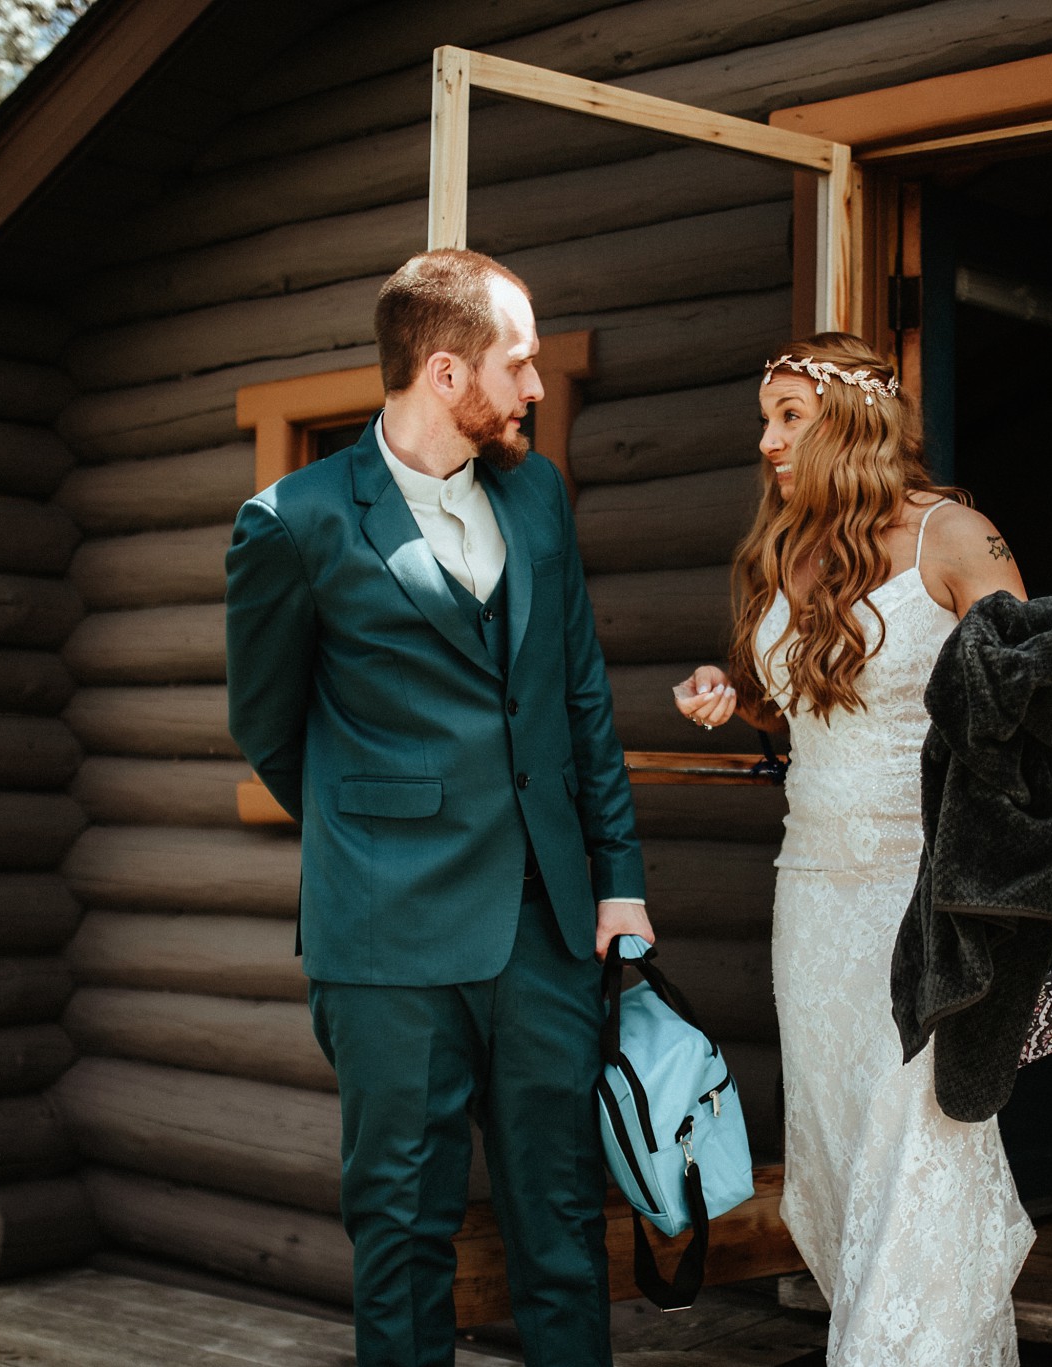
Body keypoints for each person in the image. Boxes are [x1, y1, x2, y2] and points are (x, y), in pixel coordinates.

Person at [225, 248, 653, 1367]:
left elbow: (579, 698)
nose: (536, 389)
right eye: (519, 364)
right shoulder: (291, 521)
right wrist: (379, 831)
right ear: (447, 372)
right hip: (385, 941)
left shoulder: (538, 493)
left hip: (544, 928)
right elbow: (271, 729)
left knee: (560, 1223)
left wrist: (618, 881)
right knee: (404, 1238)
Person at [672, 333, 1037, 1365]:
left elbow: (1034, 697)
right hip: (811, 887)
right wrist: (729, 691)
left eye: (788, 413)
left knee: (919, 1131)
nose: (767, 438)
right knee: (835, 1142)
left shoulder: (954, 535)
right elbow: (790, 705)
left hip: (923, 888)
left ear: (854, 417)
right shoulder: (792, 547)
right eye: (767, 415)